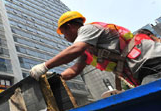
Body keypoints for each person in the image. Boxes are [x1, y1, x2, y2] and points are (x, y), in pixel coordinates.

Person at [29, 11, 161, 86]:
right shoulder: (88, 50)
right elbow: (74, 70)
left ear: (69, 27)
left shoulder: (87, 29)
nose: (65, 38)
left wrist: (45, 66)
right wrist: (57, 77)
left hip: (151, 62)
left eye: (64, 33)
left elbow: (76, 49)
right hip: (143, 71)